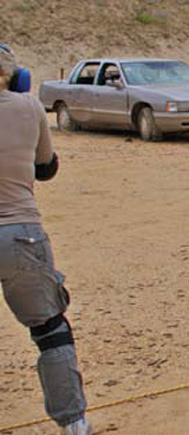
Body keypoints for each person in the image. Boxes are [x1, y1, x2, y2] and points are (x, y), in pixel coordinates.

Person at [0, 46, 92, 434]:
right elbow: (46, 168)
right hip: (20, 234)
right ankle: (74, 425)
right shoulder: (29, 107)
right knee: (51, 331)